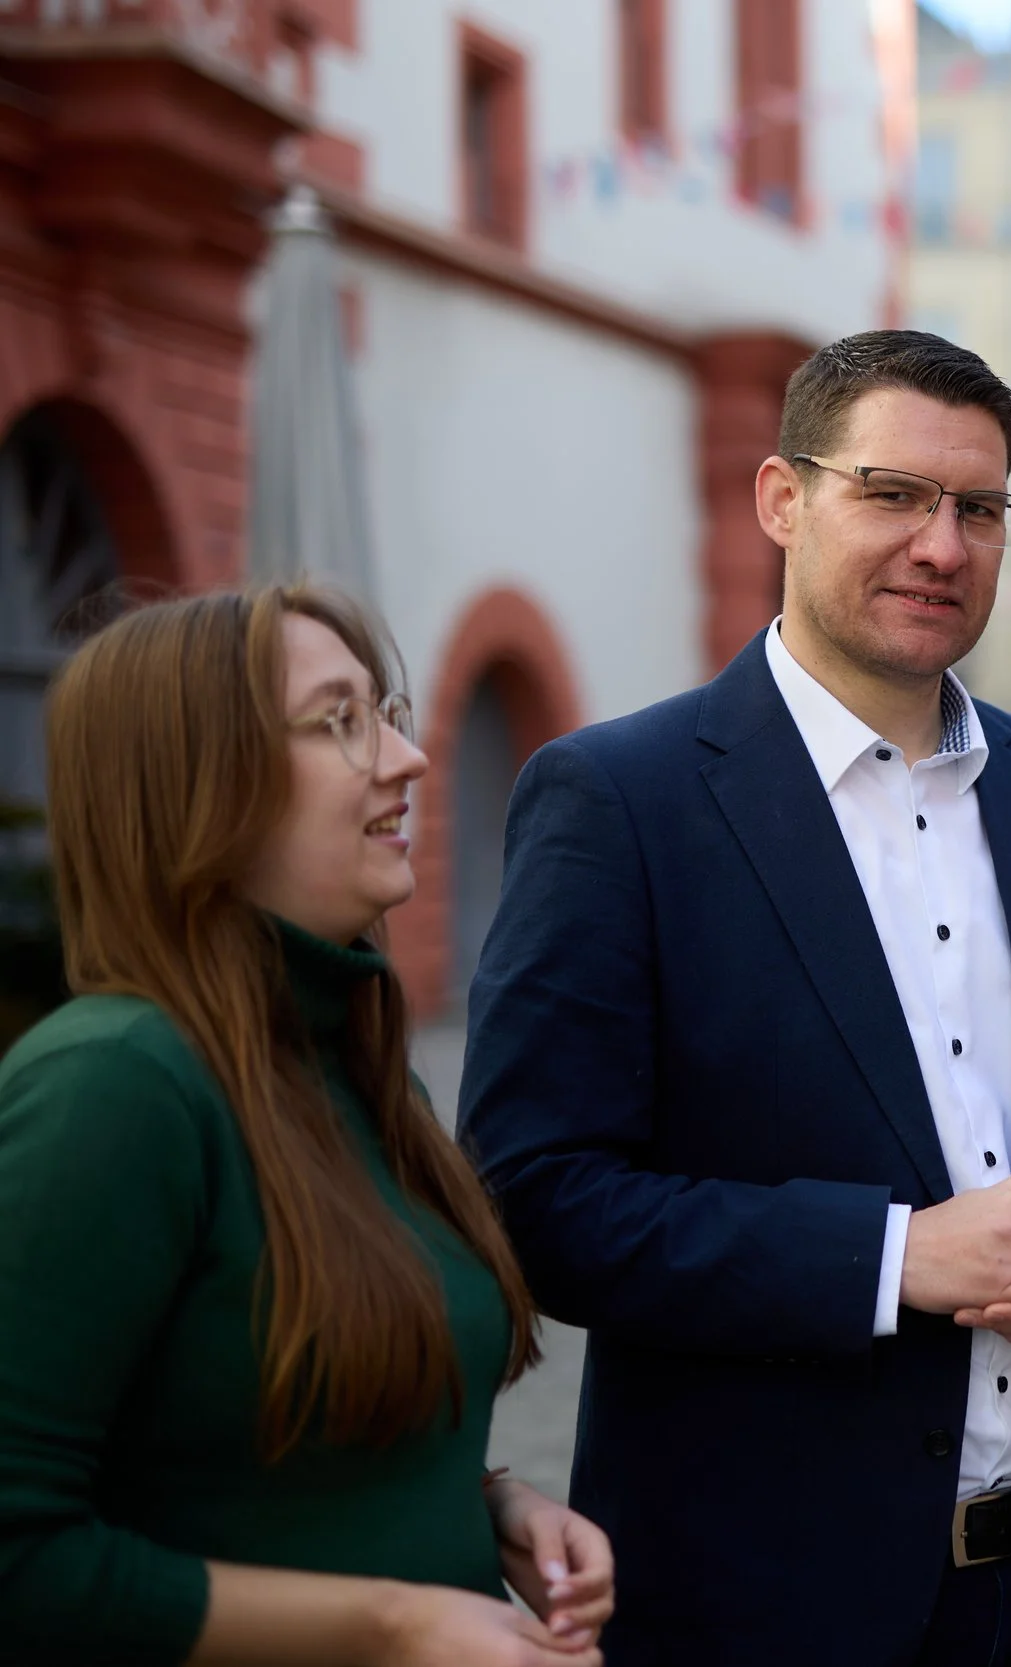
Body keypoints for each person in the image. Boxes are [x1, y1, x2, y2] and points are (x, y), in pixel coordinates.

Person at [458, 330, 1011, 1667]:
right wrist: (897, 1257)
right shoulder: (619, 801)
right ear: (781, 498)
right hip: (759, 1597)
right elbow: (538, 1195)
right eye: (893, 492)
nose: (942, 542)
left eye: (980, 508)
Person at [0, 585, 613, 1665]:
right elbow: (20, 1554)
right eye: (338, 720)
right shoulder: (112, 1086)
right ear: (197, 782)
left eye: (384, 710)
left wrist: (490, 1502)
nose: (408, 758)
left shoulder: (361, 1073)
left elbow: (258, 1443)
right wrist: (395, 1623)